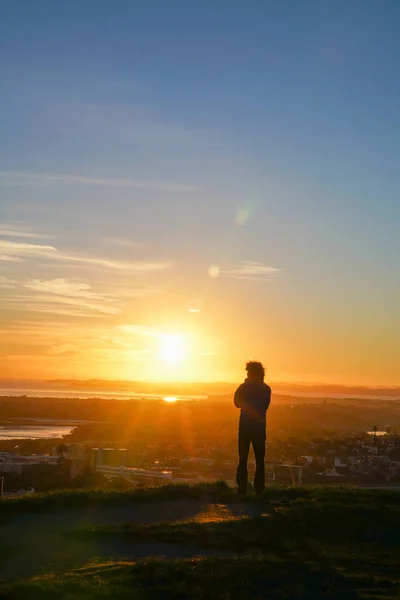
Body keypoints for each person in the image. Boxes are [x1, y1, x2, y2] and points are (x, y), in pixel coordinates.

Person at [234, 361, 271, 495]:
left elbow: (237, 403)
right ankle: (258, 490)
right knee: (258, 459)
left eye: (249, 373)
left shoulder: (244, 388)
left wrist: (247, 395)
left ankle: (243, 489)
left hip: (246, 427)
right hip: (259, 428)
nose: (248, 375)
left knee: (244, 458)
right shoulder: (265, 389)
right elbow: (263, 406)